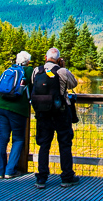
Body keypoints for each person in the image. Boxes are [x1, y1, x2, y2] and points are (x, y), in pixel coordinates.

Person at [32, 47, 79, 189]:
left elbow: (33, 83)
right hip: (61, 112)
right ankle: (66, 177)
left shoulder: (37, 71)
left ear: (45, 58)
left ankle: (41, 178)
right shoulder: (62, 71)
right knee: (64, 144)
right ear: (59, 59)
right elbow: (74, 84)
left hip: (43, 113)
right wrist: (62, 67)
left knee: (44, 145)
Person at [0, 51, 32, 180]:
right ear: (28, 61)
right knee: (18, 138)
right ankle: (10, 170)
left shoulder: (8, 70)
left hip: (0, 106)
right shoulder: (29, 71)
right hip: (17, 109)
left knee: (2, 138)